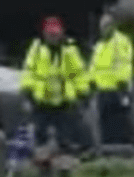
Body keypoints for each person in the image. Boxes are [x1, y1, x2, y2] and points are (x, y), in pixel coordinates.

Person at [20, 16, 92, 159]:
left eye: (55, 33)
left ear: (61, 33)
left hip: (64, 101)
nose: (53, 36)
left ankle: (63, 165)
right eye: (50, 33)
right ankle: (42, 166)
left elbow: (78, 74)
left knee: (65, 137)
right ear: (44, 34)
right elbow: (29, 72)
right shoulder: (36, 50)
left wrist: (83, 92)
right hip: (41, 101)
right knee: (40, 136)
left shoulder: (69, 51)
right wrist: (27, 91)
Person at [89, 10, 134, 150]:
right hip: (102, 89)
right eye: (103, 25)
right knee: (105, 123)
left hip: (117, 88)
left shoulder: (120, 41)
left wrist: (122, 81)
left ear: (113, 25)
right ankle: (108, 149)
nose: (105, 27)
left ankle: (121, 149)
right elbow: (94, 66)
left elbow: (124, 62)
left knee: (119, 122)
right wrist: (90, 81)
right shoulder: (100, 44)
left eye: (108, 24)